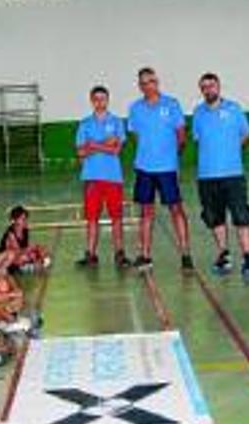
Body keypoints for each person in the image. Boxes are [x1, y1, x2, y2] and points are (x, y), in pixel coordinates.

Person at [192, 72, 249, 282]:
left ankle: (247, 258)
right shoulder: (198, 113)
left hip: (233, 174)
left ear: (218, 86)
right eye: (204, 86)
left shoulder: (234, 109)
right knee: (215, 217)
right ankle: (224, 254)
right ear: (201, 90)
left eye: (211, 85)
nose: (208, 89)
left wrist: (231, 151)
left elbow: (246, 134)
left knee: (241, 217)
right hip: (207, 176)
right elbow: (198, 139)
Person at [128, 67, 193, 271]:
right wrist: (150, 153)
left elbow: (181, 135)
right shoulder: (135, 108)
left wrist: (170, 156)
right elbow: (136, 135)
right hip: (144, 168)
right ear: (140, 86)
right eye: (144, 83)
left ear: (157, 82)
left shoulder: (171, 105)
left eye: (151, 81)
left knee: (176, 209)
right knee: (146, 211)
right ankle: (145, 255)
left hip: (167, 168)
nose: (148, 86)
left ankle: (185, 254)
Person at [75, 85, 130, 268]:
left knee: (116, 218)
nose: (100, 102)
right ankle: (90, 254)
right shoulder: (84, 124)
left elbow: (116, 150)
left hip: (113, 178)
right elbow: (81, 153)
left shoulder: (116, 122)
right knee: (92, 219)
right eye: (96, 99)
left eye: (103, 98)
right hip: (91, 178)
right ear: (92, 100)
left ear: (108, 100)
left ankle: (119, 253)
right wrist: (104, 144)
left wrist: (93, 145)